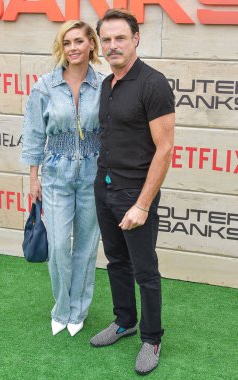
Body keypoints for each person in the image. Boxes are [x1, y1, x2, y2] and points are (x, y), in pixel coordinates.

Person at [90, 9, 175, 375]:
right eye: (106, 39)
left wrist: (142, 203)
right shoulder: (107, 85)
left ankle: (152, 337)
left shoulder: (152, 84)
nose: (113, 45)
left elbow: (165, 148)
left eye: (120, 38)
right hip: (104, 186)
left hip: (134, 193)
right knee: (115, 261)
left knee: (145, 270)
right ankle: (125, 321)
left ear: (136, 38)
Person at [21, 20, 104, 337]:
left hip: (93, 174)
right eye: (67, 42)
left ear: (91, 44)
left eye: (79, 41)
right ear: (62, 47)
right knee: (57, 246)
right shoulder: (45, 86)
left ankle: (79, 310)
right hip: (55, 174)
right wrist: (33, 178)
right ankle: (62, 308)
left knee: (86, 246)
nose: (73, 48)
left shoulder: (104, 85)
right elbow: (32, 134)